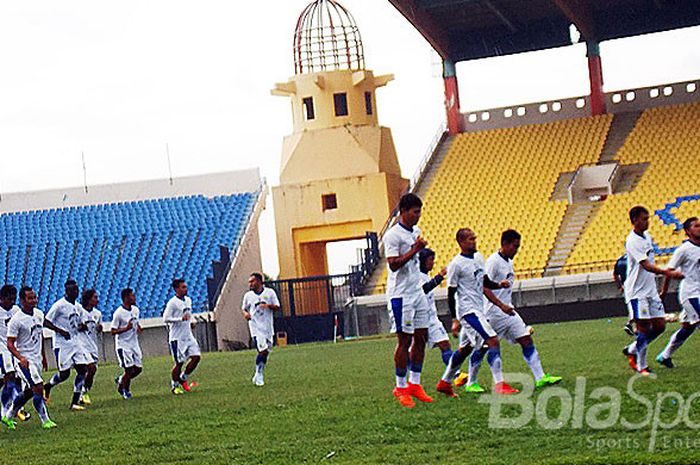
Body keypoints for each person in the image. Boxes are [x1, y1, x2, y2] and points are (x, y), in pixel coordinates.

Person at [458, 230, 561, 392]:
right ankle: (471, 382)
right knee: (483, 348)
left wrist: (506, 306)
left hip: (508, 312)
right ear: (504, 244)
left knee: (526, 340)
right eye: (514, 246)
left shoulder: (508, 261)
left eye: (518, 247)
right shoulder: (493, 262)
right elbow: (483, 286)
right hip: (493, 312)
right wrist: (500, 305)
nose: (516, 250)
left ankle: (540, 378)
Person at [436, 228, 518, 397]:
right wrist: (454, 319)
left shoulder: (479, 258)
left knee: (465, 349)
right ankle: (500, 384)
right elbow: (451, 294)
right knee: (492, 340)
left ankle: (445, 382)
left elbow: (485, 281)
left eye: (474, 238)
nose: (474, 241)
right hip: (468, 311)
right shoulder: (456, 265)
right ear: (461, 242)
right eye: (470, 239)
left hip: (478, 309)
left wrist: (498, 285)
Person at [383, 193, 433, 408]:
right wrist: (415, 249)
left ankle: (415, 383)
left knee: (422, 336)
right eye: (415, 212)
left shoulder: (416, 232)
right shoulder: (393, 235)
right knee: (404, 340)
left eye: (420, 211)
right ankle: (400, 387)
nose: (418, 216)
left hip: (417, 291)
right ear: (403, 212)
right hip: (401, 294)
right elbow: (393, 264)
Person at [621, 206, 683, 375]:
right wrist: (668, 272)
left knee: (660, 326)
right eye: (644, 219)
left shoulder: (647, 237)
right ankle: (642, 366)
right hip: (636, 292)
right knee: (643, 328)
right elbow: (646, 265)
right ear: (634, 220)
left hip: (650, 290)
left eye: (648, 218)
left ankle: (633, 349)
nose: (647, 222)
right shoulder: (632, 240)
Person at [1, 286, 56, 430]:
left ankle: (8, 416)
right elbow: (10, 343)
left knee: (29, 392)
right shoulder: (16, 320)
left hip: (36, 358)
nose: (33, 300)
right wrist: (20, 358)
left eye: (34, 297)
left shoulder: (39, 314)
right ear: (22, 300)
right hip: (24, 361)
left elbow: (40, 335)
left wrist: (44, 356)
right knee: (38, 387)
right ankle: (45, 420)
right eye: (30, 298)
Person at [656, 217, 700, 368]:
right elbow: (669, 271)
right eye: (696, 226)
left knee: (687, 328)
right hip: (691, 294)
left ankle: (664, 356)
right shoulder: (684, 250)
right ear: (688, 231)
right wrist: (663, 291)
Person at [43, 279, 90, 410]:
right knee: (64, 374)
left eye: (76, 290)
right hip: (62, 344)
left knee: (82, 369)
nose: (75, 292)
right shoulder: (59, 305)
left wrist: (82, 326)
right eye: (72, 290)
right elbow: (45, 321)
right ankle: (48, 386)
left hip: (75, 342)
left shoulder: (77, 306)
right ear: (66, 291)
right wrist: (60, 331)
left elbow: (77, 323)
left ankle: (75, 402)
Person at [163, 279, 201, 394]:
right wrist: (180, 319)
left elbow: (188, 315)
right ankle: (175, 385)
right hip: (177, 338)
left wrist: (191, 321)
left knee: (196, 357)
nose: (186, 289)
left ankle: (183, 377)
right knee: (179, 363)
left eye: (185, 286)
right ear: (176, 289)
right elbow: (165, 318)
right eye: (183, 287)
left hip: (188, 335)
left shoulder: (188, 300)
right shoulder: (172, 303)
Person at [242, 273, 280, 387]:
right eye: (249, 282)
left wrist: (268, 306)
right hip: (255, 327)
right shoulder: (248, 295)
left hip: (267, 327)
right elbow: (243, 308)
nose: (250, 284)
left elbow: (277, 306)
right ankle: (259, 375)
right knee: (262, 350)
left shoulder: (270, 293)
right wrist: (246, 314)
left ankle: (258, 372)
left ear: (259, 281)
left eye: (252, 281)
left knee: (266, 352)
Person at [418, 249, 453, 367]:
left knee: (445, 344)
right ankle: (405, 379)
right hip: (420, 319)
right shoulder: (416, 277)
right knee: (415, 350)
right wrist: (440, 276)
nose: (433, 263)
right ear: (423, 261)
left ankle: (456, 375)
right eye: (430, 260)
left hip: (432, 319)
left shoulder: (425, 276)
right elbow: (424, 289)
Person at [111, 288, 143, 399]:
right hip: (123, 345)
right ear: (126, 298)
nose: (134, 298)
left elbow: (135, 322)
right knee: (128, 369)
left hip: (134, 343)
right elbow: (113, 331)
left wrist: (137, 327)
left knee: (138, 369)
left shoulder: (135, 310)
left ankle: (121, 380)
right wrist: (126, 328)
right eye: (132, 296)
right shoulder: (118, 313)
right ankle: (125, 390)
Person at [76, 289, 102, 405]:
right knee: (90, 368)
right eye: (95, 297)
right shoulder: (79, 312)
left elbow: (97, 328)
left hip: (92, 345)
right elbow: (74, 327)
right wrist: (80, 327)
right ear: (88, 299)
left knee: (93, 370)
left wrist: (99, 328)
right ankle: (81, 394)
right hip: (82, 345)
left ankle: (84, 391)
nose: (97, 300)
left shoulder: (97, 314)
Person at [613, 254, 635, 336]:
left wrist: (620, 286)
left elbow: (615, 274)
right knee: (637, 305)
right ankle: (630, 323)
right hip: (635, 284)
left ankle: (634, 325)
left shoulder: (620, 260)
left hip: (626, 286)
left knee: (632, 305)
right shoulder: (634, 257)